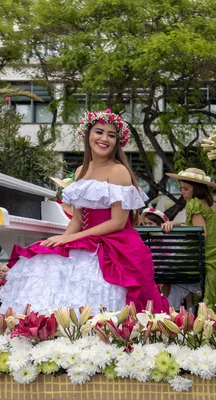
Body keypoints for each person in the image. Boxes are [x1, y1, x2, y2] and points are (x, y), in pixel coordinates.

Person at [0, 109, 166, 314]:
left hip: (115, 243)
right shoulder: (81, 171)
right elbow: (77, 220)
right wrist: (60, 240)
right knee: (43, 256)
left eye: (111, 135)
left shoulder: (119, 171)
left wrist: (72, 238)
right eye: (99, 132)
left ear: (117, 141)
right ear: (87, 134)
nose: (104, 138)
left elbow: (117, 223)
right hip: (86, 238)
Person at [162, 168, 216, 310]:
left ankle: (171, 309)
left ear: (197, 188)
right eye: (181, 188)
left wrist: (178, 226)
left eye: (186, 188)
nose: (182, 192)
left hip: (197, 258)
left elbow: (201, 233)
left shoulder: (194, 203)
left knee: (166, 271)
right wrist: (179, 223)